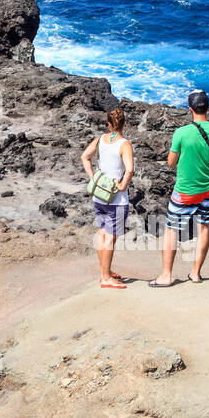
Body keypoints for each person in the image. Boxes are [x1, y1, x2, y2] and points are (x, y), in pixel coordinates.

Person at [151, 89, 209, 287]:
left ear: (190, 109)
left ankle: (166, 276)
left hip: (185, 191)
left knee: (171, 230)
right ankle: (195, 273)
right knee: (204, 229)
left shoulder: (181, 133)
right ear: (208, 108)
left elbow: (170, 162)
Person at [81, 107, 134, 289]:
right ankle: (105, 277)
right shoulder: (124, 144)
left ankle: (106, 271)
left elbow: (85, 157)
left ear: (109, 124)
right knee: (110, 238)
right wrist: (122, 186)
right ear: (124, 123)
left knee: (103, 233)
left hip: (99, 196)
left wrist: (93, 178)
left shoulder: (100, 140)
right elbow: (130, 169)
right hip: (117, 200)